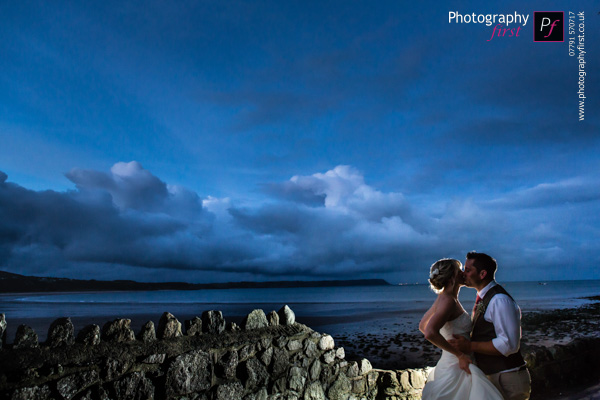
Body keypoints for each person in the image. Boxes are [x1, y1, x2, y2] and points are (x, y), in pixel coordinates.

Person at [449, 252, 531, 400]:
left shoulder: (499, 300)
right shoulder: (485, 297)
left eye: (468, 270)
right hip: (495, 376)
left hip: (507, 378)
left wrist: (469, 346)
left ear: (482, 274)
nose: (463, 273)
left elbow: (508, 345)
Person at [419, 258, 504, 400]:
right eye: (460, 270)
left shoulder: (444, 298)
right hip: (458, 365)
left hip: (450, 362)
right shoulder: (448, 301)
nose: (464, 273)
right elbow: (429, 332)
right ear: (453, 276)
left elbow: (422, 325)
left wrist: (446, 340)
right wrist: (459, 355)